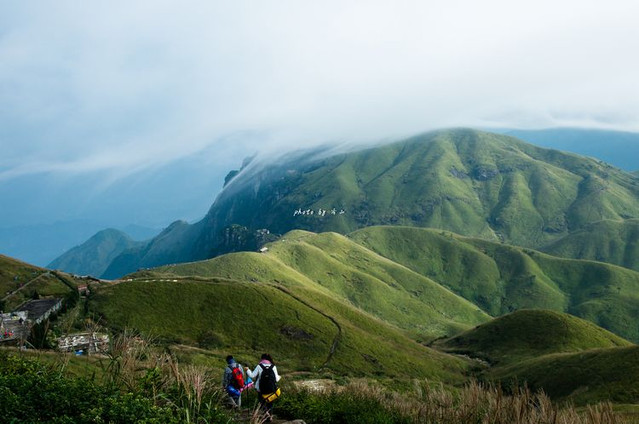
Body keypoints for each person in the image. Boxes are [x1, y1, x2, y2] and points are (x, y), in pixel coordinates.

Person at [245, 353, 281, 421]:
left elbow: (252, 375)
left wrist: (247, 370)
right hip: (271, 389)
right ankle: (270, 417)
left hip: (261, 389)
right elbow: (276, 379)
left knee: (261, 403)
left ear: (262, 359)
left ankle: (265, 413)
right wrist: (279, 377)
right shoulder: (273, 367)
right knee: (270, 403)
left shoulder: (259, 366)